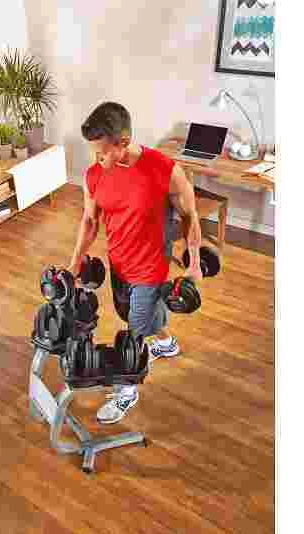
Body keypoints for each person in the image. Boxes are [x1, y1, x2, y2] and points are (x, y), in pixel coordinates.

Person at [67, 102, 203, 424]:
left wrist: (194, 262)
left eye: (102, 152)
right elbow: (90, 220)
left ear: (124, 142)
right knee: (130, 314)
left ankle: (126, 391)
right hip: (118, 263)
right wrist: (74, 262)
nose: (96, 159)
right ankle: (166, 342)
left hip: (150, 268)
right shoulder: (94, 174)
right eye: (93, 152)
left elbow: (189, 214)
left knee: (133, 334)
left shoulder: (164, 170)